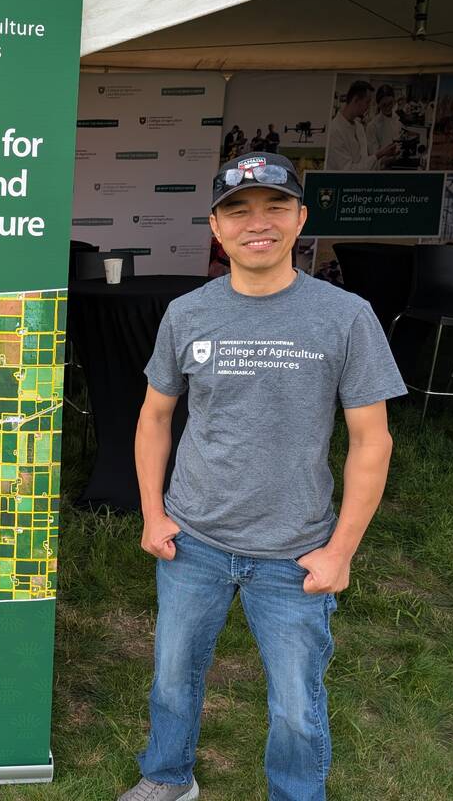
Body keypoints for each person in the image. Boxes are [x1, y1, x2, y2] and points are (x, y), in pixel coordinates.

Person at [118, 152, 406, 801]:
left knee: (297, 705)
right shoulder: (187, 313)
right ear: (215, 229)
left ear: (300, 220)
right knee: (172, 677)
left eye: (276, 207)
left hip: (294, 551)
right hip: (192, 540)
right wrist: (153, 514)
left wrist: (340, 552)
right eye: (238, 211)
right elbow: (154, 418)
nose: (258, 223)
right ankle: (167, 777)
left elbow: (372, 441)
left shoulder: (345, 316)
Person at [326, 80, 399, 170]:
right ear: (356, 100)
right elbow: (348, 171)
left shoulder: (359, 127)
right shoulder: (334, 131)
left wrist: (384, 160)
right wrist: (379, 154)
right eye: (367, 102)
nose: (368, 107)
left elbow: (365, 163)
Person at [365, 84, 402, 164]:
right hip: (382, 167)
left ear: (394, 101)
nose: (388, 107)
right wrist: (389, 159)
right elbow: (373, 156)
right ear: (378, 104)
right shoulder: (372, 126)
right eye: (384, 105)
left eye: (390, 103)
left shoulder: (398, 120)